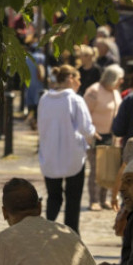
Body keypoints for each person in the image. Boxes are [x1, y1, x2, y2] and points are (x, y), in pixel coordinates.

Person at [37, 65, 96, 234]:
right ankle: (72, 232)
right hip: (73, 154)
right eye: (78, 79)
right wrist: (93, 134)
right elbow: (85, 128)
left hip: (50, 153)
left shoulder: (45, 98)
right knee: (73, 198)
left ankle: (48, 229)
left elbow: (41, 125)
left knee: (53, 196)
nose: (80, 83)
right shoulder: (75, 100)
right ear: (71, 78)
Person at [83, 64, 124, 211]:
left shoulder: (116, 92)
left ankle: (103, 198)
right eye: (120, 79)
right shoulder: (94, 91)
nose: (122, 81)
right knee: (96, 170)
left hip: (111, 137)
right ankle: (94, 200)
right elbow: (84, 114)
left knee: (109, 169)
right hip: (96, 136)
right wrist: (90, 132)